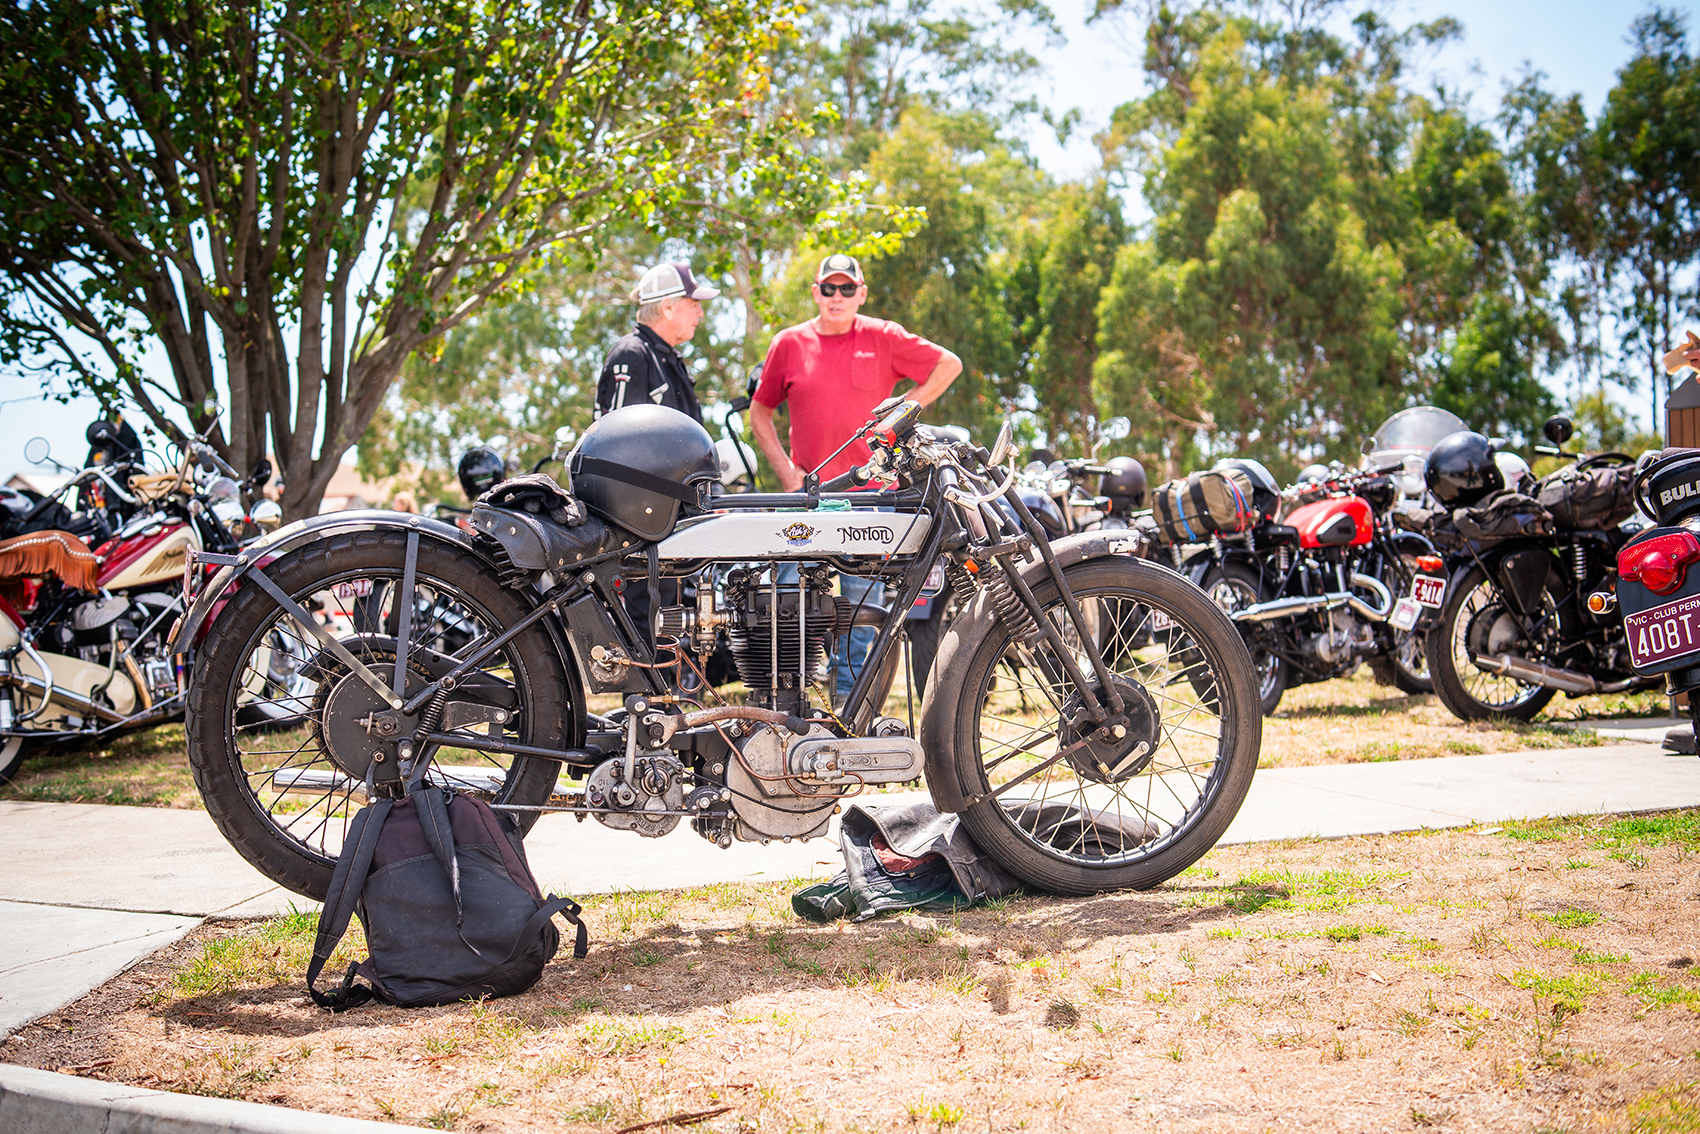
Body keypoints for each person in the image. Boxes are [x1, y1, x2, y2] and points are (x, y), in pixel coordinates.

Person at [750, 252, 962, 698]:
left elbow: (949, 365)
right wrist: (788, 474)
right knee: (790, 608)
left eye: (848, 289)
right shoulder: (789, 343)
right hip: (807, 496)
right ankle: (787, 706)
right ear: (816, 292)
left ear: (861, 294)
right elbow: (760, 413)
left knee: (862, 614)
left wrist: (902, 416)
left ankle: (848, 709)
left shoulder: (883, 336)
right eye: (829, 288)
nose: (838, 297)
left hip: (871, 498)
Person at [594, 262, 720, 423]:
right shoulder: (631, 354)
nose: (700, 313)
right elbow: (619, 440)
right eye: (694, 304)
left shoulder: (672, 360)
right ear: (667, 308)